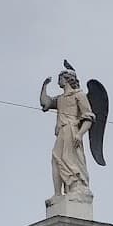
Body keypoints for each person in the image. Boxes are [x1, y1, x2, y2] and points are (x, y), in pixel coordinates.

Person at [40, 68, 94, 197]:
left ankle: (76, 187)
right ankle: (58, 194)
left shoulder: (78, 95)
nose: (59, 80)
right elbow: (45, 103)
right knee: (56, 159)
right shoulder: (60, 98)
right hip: (61, 132)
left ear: (68, 79)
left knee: (70, 159)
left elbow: (89, 117)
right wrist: (44, 86)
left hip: (72, 130)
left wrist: (80, 133)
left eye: (61, 78)